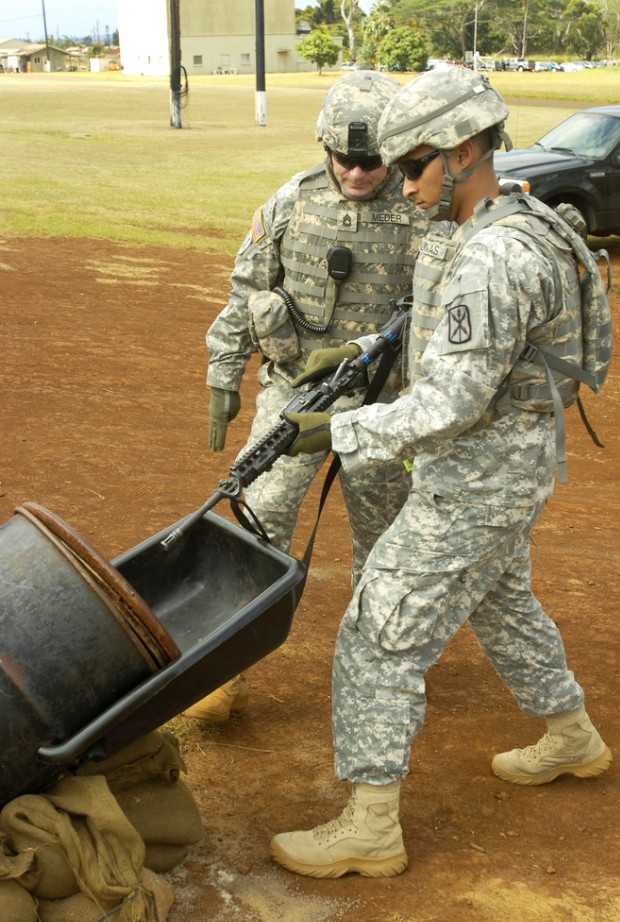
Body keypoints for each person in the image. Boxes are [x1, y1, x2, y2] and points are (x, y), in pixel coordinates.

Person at [270, 65, 612, 878]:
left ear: (462, 150)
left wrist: (340, 430)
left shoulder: (494, 253)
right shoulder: (485, 220)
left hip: (477, 475)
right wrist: (363, 351)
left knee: (377, 630)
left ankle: (371, 824)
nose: (399, 185)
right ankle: (572, 737)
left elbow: (450, 403)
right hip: (503, 467)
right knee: (502, 600)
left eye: (412, 166)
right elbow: (433, 330)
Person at [184, 70, 429, 723]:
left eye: (372, 159)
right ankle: (225, 671)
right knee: (258, 525)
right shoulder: (290, 204)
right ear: (325, 145)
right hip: (295, 398)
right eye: (345, 158)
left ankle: (384, 672)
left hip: (383, 408)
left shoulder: (419, 212)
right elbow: (247, 290)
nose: (357, 171)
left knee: (386, 543)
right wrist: (223, 373)